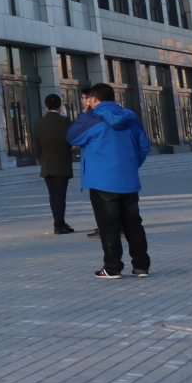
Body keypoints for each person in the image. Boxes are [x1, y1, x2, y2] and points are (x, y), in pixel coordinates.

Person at [68, 83, 153, 278]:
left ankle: (112, 267)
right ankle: (141, 266)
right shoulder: (130, 117)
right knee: (134, 225)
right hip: (128, 179)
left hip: (102, 181)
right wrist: (131, 165)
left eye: (88, 98)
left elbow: (72, 137)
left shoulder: (92, 119)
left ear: (94, 99)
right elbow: (144, 146)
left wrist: (84, 113)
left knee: (109, 226)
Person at [31, 93, 75, 234]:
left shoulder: (39, 123)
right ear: (60, 107)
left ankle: (58, 223)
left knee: (53, 196)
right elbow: (73, 140)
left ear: (46, 107)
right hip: (62, 164)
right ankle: (59, 225)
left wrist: (42, 161)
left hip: (47, 165)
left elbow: (36, 147)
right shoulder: (66, 122)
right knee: (60, 196)